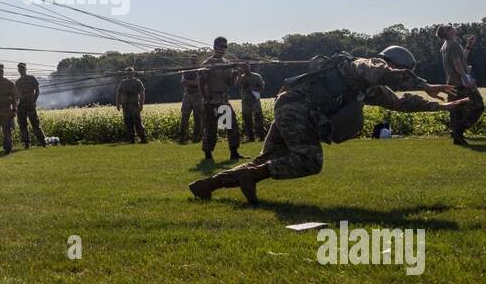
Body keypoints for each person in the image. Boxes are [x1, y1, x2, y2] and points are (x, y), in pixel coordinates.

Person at [189, 46, 466, 205]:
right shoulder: (365, 65)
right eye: (400, 69)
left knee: (269, 158)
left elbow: (400, 102)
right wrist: (426, 84)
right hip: (299, 109)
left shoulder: (368, 90)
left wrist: (436, 106)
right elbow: (381, 72)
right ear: (392, 63)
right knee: (310, 160)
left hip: (292, 107)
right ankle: (253, 176)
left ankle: (208, 186)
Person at [438, 26, 485, 146]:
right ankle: (459, 130)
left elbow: (461, 59)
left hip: (452, 82)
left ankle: (457, 136)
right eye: (450, 28)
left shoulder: (445, 46)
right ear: (447, 33)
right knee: (478, 105)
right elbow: (457, 63)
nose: (453, 28)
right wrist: (465, 78)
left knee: (456, 111)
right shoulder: (453, 44)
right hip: (461, 83)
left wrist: (468, 45)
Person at [199, 36, 242, 162]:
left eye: (225, 46)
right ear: (215, 47)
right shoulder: (207, 64)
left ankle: (234, 152)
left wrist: (235, 75)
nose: (223, 49)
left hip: (223, 100)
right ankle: (208, 155)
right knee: (211, 127)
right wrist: (205, 98)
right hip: (211, 100)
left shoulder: (227, 63)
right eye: (221, 46)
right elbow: (201, 82)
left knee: (231, 125)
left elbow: (230, 83)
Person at [115, 67, 148, 143]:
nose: (129, 74)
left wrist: (141, 104)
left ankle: (143, 138)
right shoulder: (123, 82)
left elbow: (142, 93)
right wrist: (117, 104)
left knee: (137, 122)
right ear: (126, 73)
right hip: (125, 105)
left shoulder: (138, 82)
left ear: (133, 73)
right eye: (128, 72)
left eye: (131, 72)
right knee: (128, 122)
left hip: (134, 104)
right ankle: (131, 139)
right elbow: (118, 93)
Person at [15, 63, 44, 149]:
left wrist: (34, 101)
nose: (21, 70)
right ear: (18, 70)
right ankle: (26, 143)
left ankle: (43, 142)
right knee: (23, 125)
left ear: (25, 69)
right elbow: (17, 95)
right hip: (22, 105)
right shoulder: (18, 82)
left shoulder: (31, 78)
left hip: (30, 104)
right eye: (19, 69)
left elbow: (37, 91)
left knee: (35, 124)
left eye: (22, 69)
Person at [237, 63, 266, 143]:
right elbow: (237, 84)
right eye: (243, 68)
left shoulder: (257, 76)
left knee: (258, 118)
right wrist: (239, 75)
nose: (245, 69)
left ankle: (261, 136)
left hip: (255, 100)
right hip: (246, 101)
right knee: (247, 119)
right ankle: (251, 137)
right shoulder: (241, 77)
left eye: (246, 67)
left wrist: (253, 88)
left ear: (249, 67)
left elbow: (262, 87)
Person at [179, 60, 204, 144]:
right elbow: (183, 81)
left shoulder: (200, 71)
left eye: (194, 60)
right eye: (192, 60)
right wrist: (191, 82)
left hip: (197, 96)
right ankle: (182, 137)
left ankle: (197, 137)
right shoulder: (187, 72)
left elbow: (197, 82)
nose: (193, 63)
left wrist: (189, 82)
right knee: (184, 117)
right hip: (187, 96)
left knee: (198, 118)